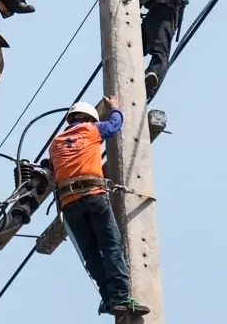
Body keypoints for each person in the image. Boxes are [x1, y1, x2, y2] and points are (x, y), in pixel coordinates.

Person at [48, 97, 150, 317]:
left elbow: (52, 168)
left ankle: (108, 299)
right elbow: (114, 124)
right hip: (93, 196)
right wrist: (115, 107)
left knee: (92, 255)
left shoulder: (55, 143)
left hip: (69, 204)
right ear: (88, 118)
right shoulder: (91, 129)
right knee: (111, 246)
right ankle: (120, 297)